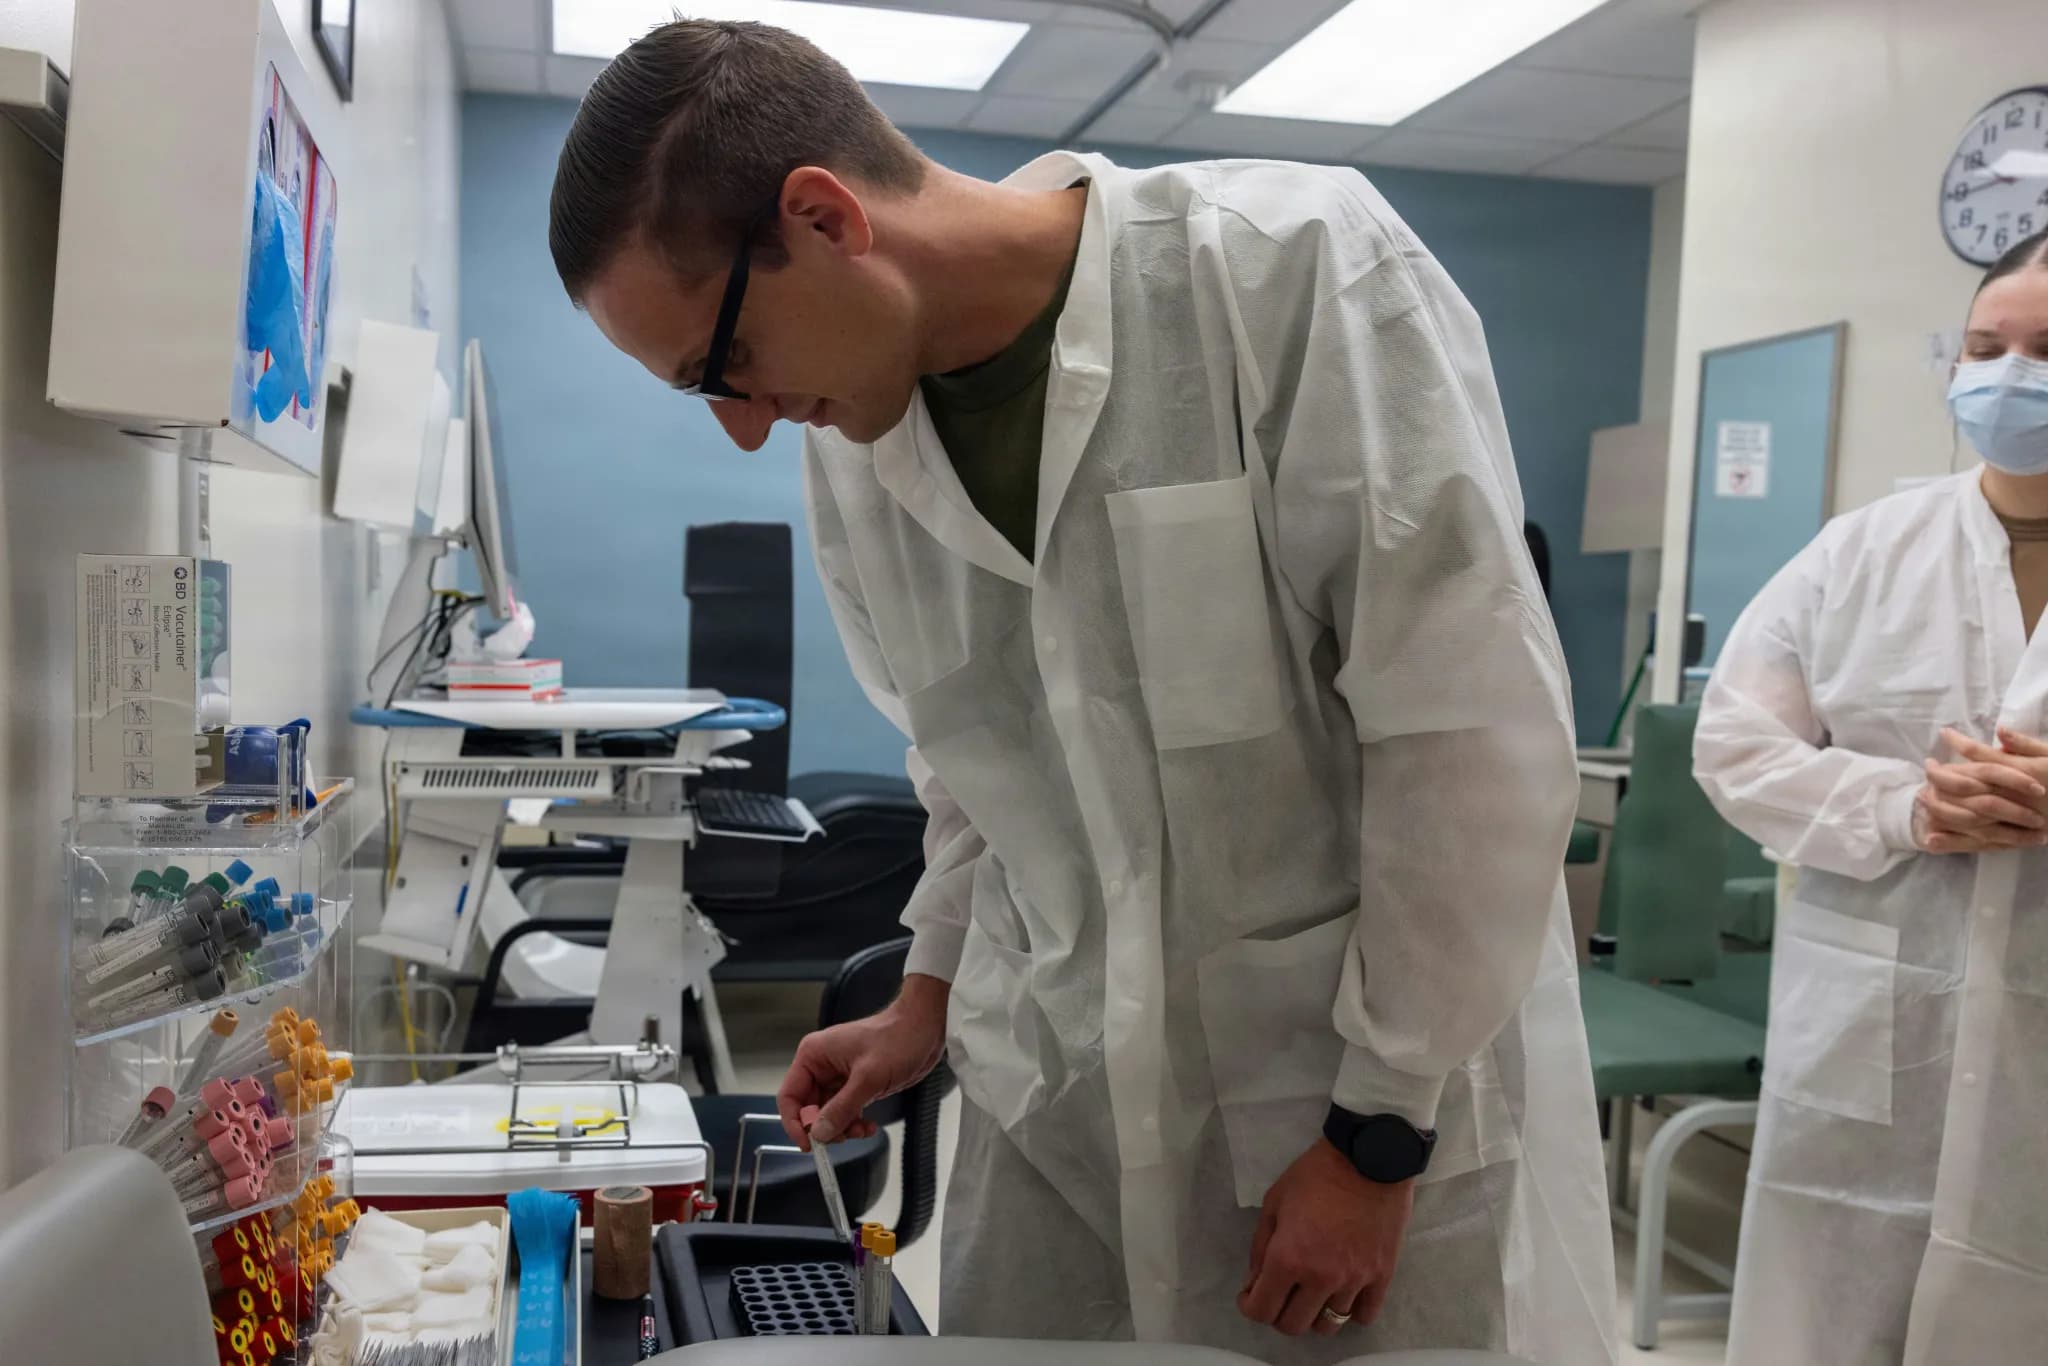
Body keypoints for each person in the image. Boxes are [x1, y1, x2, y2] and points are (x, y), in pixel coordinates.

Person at [549, 21, 1615, 1363]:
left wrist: (1380, 1127)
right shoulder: (857, 438)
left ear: (821, 217)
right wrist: (928, 989)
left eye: (723, 366)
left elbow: (1468, 736)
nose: (745, 424)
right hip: (1052, 1104)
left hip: (1330, 1115)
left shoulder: (1285, 274)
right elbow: (972, 761)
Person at [1695, 226, 2048, 1364]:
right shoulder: (1860, 553)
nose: (2005, 376)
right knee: (1827, 1314)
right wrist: (1908, 806)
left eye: (2043, 349)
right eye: (1985, 345)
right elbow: (1736, 745)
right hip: (1874, 1039)